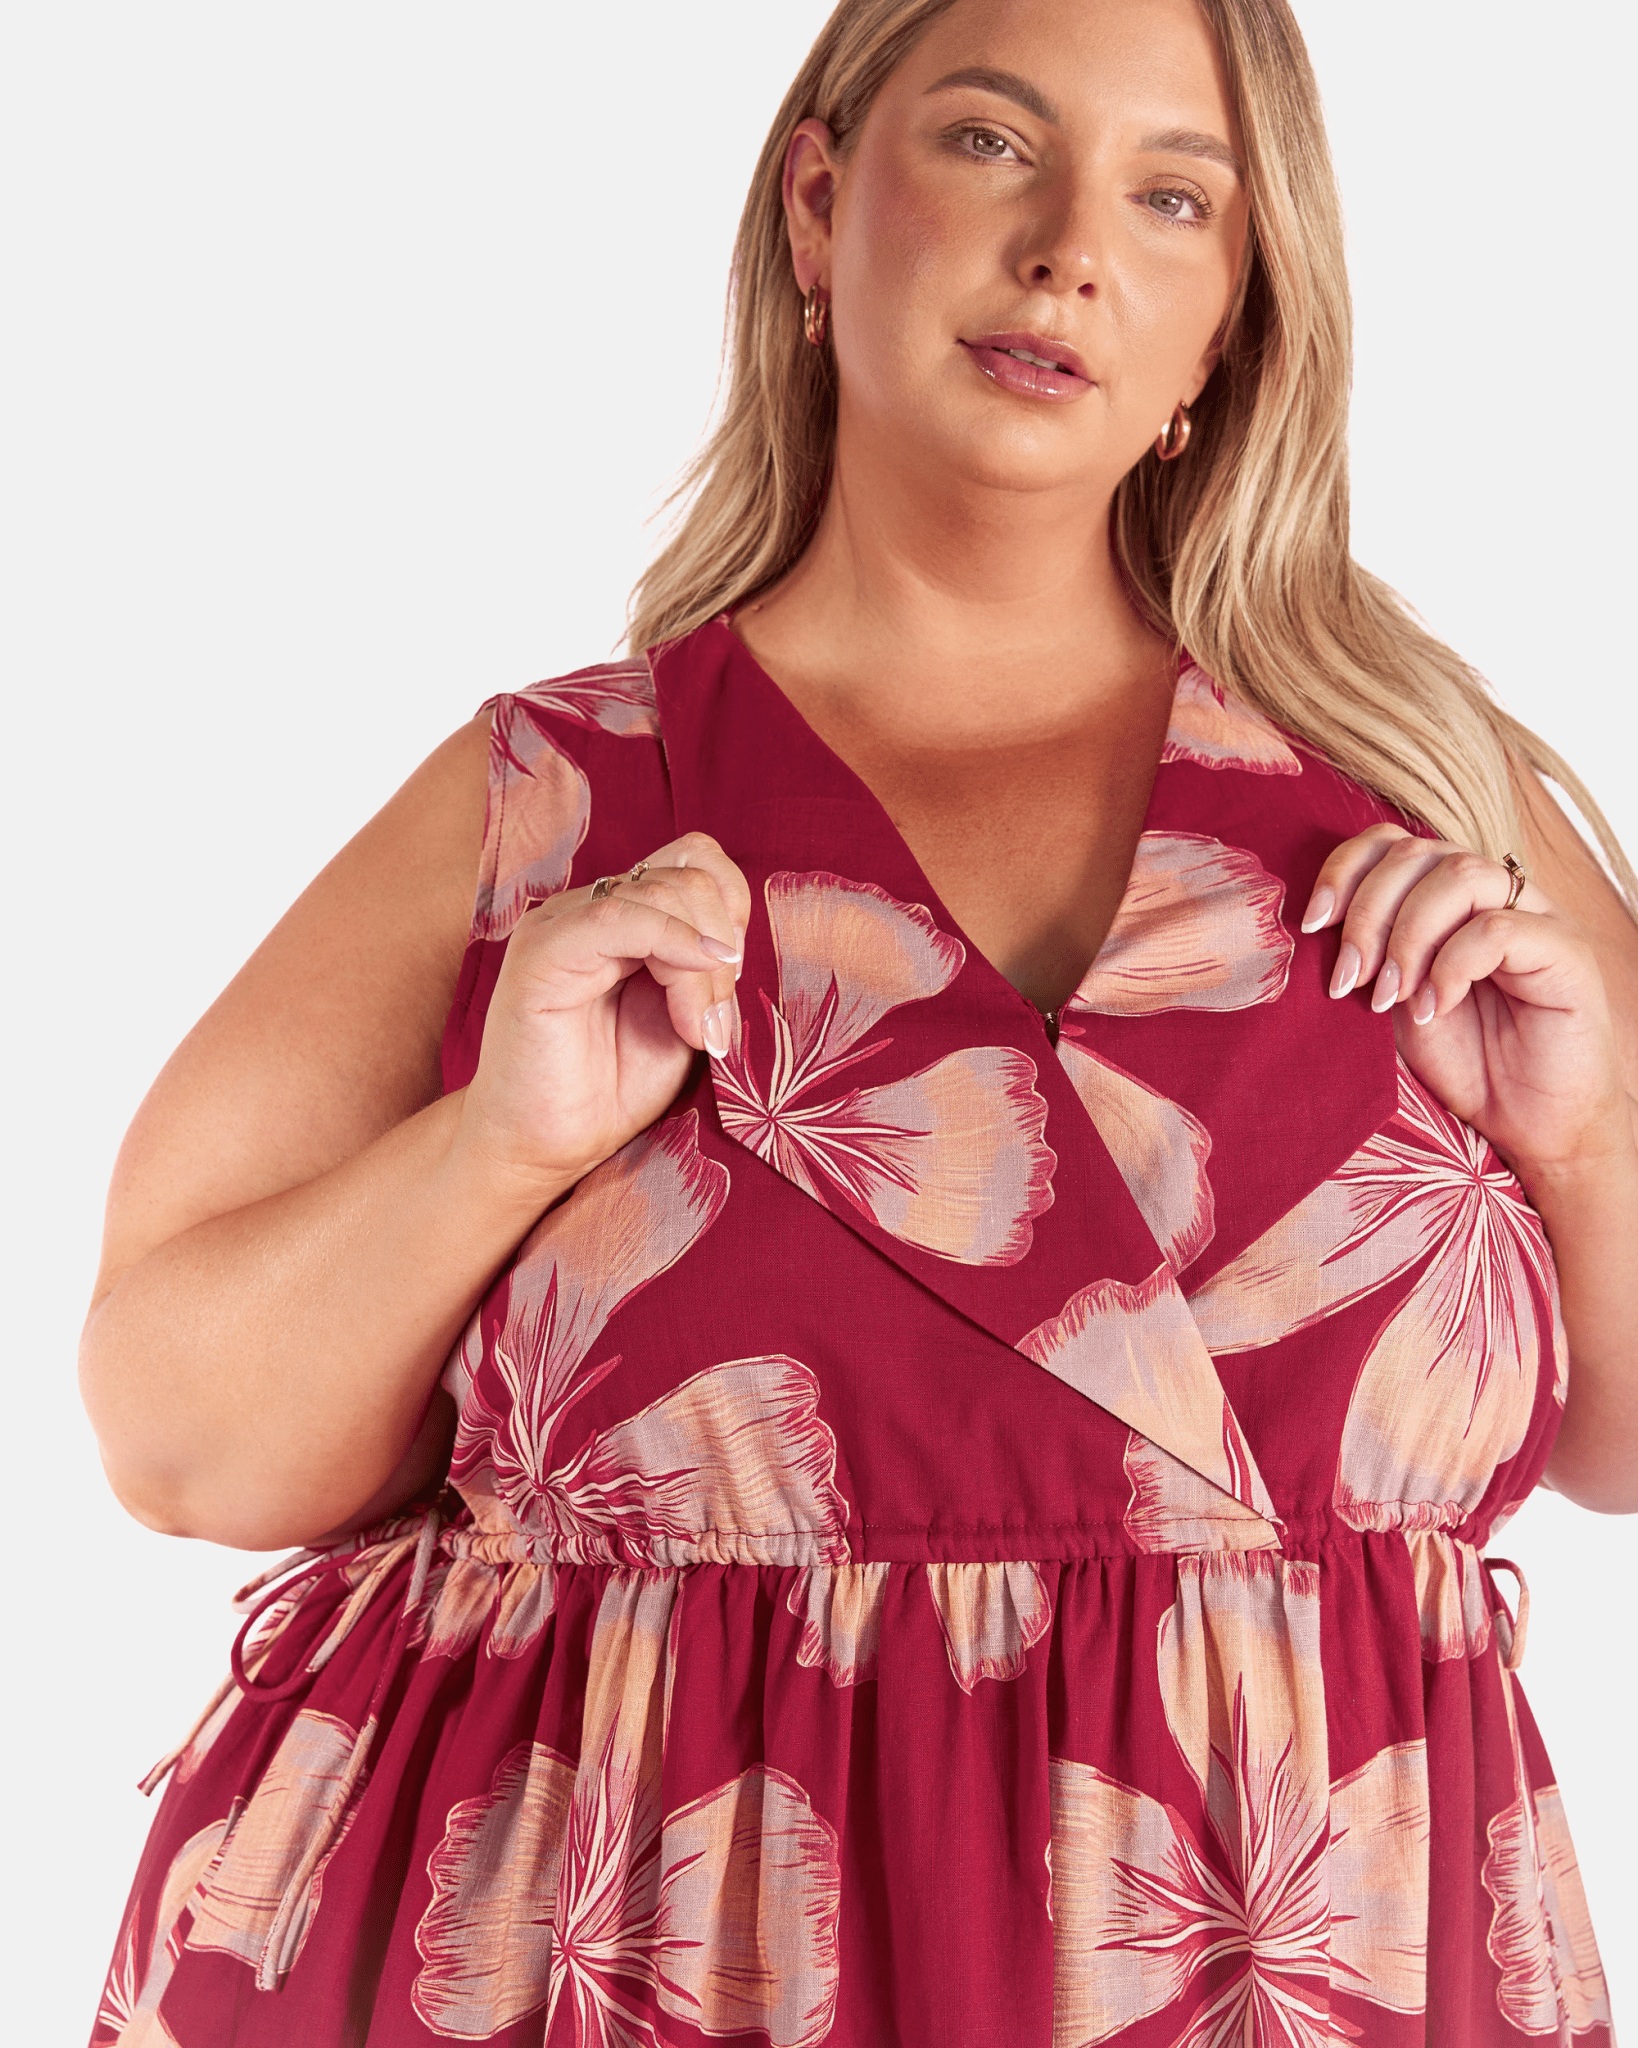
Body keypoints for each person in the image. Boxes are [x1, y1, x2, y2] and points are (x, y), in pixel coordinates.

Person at [80, 0, 1638, 2039]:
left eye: (1174, 199)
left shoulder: (1423, 804)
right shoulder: (555, 802)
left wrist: (1587, 1143)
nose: (1069, 249)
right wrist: (502, 1147)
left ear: (1230, 328)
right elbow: (180, 1443)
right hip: (619, 1964)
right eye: (990, 142)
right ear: (817, 208)